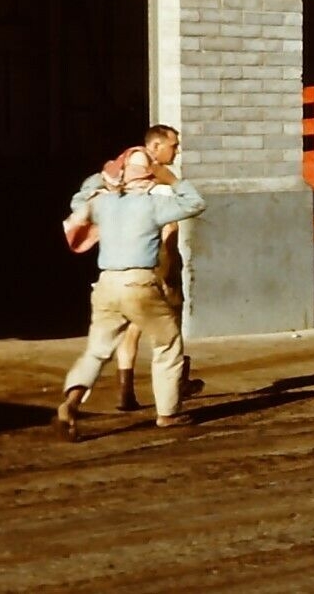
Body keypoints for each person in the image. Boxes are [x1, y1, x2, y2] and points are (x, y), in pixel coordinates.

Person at [53, 127, 206, 441]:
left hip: (106, 284)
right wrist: (171, 180)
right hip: (139, 283)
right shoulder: (152, 205)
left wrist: (104, 175)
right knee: (167, 342)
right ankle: (168, 413)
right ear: (148, 173)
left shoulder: (104, 204)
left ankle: (69, 404)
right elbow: (195, 203)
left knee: (97, 350)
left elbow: (79, 199)